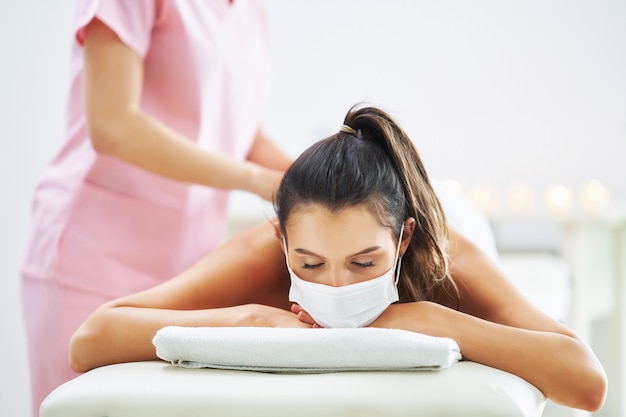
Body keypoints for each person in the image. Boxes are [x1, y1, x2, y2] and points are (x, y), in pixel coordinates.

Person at [69, 105, 607, 412]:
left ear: (401, 242)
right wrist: (249, 317)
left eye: (364, 264)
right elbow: (92, 339)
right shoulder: (264, 250)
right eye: (309, 264)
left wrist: (428, 319)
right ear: (283, 243)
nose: (335, 284)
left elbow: (586, 381)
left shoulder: (444, 257)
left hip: (448, 216)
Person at [20, 1, 291, 414]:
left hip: (181, 273)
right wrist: (258, 182)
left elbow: (246, 139)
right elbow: (113, 125)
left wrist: (327, 177)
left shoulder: (250, 15)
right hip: (92, 254)